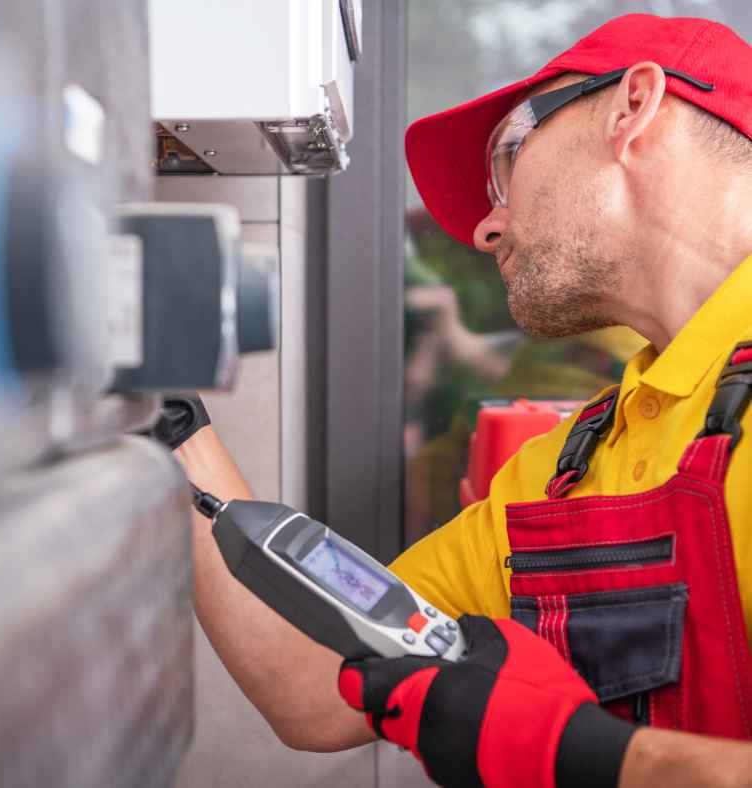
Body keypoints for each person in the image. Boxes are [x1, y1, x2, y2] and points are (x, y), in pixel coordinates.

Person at [165, 14, 752, 788]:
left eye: (506, 161)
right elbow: (317, 683)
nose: (485, 227)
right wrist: (169, 417)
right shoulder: (567, 471)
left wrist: (593, 757)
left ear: (632, 107)